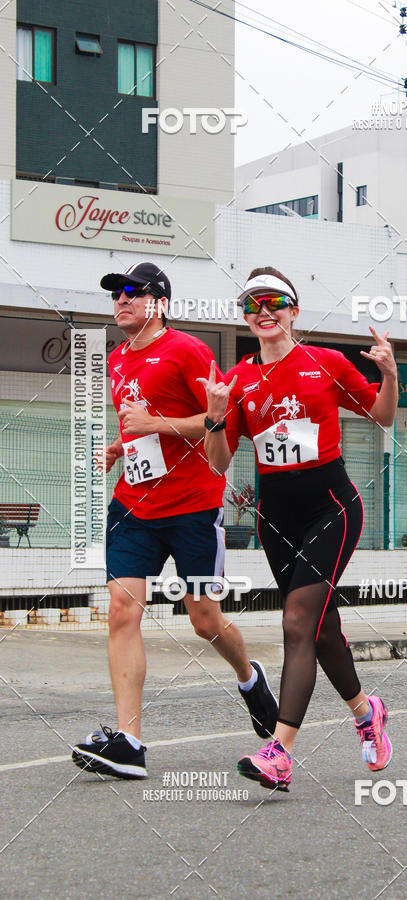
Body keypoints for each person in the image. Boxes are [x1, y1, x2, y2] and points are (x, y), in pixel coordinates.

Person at [71, 261, 277, 780]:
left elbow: (219, 420)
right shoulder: (117, 359)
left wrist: (154, 423)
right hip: (133, 508)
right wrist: (121, 446)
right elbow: (140, 425)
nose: (120, 301)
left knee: (203, 618)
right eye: (116, 295)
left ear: (158, 303)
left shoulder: (188, 350)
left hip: (192, 507)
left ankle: (250, 677)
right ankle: (129, 742)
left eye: (131, 294)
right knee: (122, 611)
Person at [201, 266, 398, 791]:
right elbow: (218, 463)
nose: (263, 312)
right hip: (275, 518)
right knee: (322, 629)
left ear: (293, 310)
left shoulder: (325, 363)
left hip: (331, 506)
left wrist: (391, 375)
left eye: (274, 302)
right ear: (245, 316)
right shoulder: (238, 378)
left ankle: (280, 752)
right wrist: (215, 418)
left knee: (295, 621)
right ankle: (366, 712)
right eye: (252, 305)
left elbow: (382, 415)